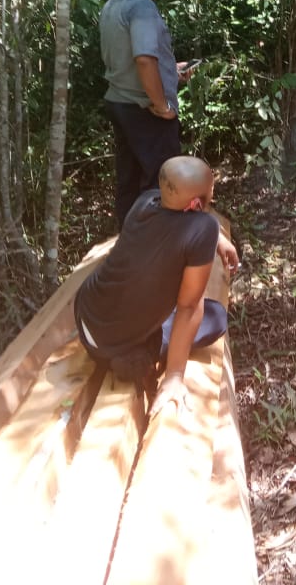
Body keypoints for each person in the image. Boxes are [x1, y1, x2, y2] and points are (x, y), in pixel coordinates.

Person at [74, 156, 239, 415]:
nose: (213, 194)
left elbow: (180, 219)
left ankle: (134, 348)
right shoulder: (203, 228)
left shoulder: (146, 200)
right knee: (215, 316)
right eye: (210, 191)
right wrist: (175, 376)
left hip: (87, 314)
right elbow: (188, 306)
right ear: (196, 204)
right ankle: (138, 356)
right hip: (113, 345)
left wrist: (217, 239)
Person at [100, 0, 193, 227]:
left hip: (120, 103)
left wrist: (171, 72)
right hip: (145, 109)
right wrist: (161, 105)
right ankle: (158, 243)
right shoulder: (142, 8)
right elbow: (143, 60)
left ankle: (130, 239)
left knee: (128, 178)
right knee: (162, 181)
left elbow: (128, 59)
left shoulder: (113, 4)